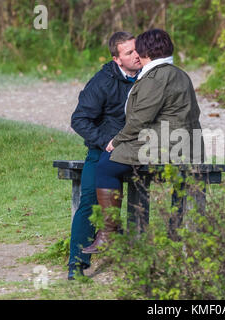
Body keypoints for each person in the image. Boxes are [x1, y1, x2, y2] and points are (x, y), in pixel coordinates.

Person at [81, 28, 204, 254]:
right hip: (186, 145)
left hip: (167, 146)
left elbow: (140, 118)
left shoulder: (156, 76)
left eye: (139, 49)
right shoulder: (178, 73)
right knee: (114, 160)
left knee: (107, 166)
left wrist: (116, 141)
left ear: (146, 51)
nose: (137, 54)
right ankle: (168, 235)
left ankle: (109, 233)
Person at [68, 31, 141, 280]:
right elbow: (79, 119)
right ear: (117, 59)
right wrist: (104, 141)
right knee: (89, 201)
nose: (136, 55)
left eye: (137, 49)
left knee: (142, 196)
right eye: (129, 52)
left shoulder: (149, 76)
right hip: (103, 151)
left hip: (139, 152)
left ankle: (138, 260)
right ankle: (76, 265)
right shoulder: (102, 81)